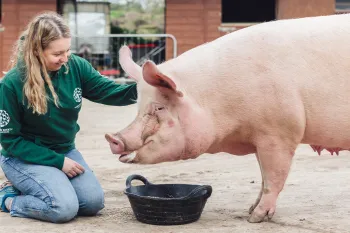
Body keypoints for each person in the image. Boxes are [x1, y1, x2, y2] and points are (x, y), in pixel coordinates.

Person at [0, 11, 137, 223]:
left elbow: (110, 91)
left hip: (64, 150)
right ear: (36, 51)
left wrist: (148, 87)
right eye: (57, 54)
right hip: (23, 156)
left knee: (92, 203)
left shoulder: (75, 66)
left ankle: (43, 185)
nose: (65, 58)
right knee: (63, 208)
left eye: (67, 50)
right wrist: (58, 162)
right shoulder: (12, 83)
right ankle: (8, 199)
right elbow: (11, 141)